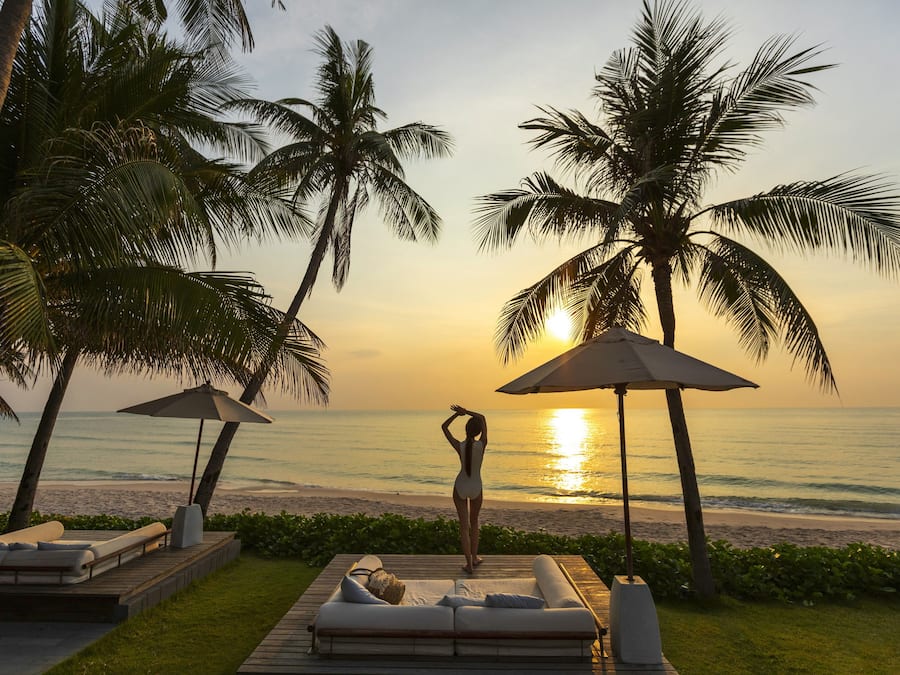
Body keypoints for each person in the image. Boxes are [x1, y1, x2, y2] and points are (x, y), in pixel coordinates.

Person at [441, 404, 487, 573]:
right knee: (474, 524)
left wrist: (457, 415)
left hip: (460, 485)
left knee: (463, 526)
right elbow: (482, 417)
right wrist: (466, 411)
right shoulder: (482, 444)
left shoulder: (460, 446)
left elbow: (444, 427)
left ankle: (469, 564)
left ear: (466, 430)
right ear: (478, 431)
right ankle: (475, 558)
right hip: (476, 486)